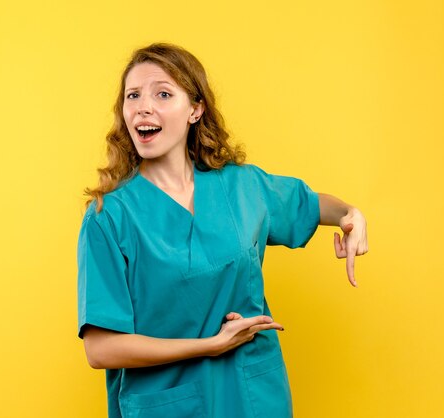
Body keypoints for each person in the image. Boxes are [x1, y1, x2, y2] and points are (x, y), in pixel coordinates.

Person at [77, 43, 368, 418]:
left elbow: (309, 205)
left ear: (195, 110)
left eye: (163, 93)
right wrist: (209, 345)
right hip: (167, 404)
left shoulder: (241, 186)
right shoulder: (109, 216)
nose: (143, 106)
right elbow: (101, 349)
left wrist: (350, 214)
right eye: (133, 96)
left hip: (253, 395)